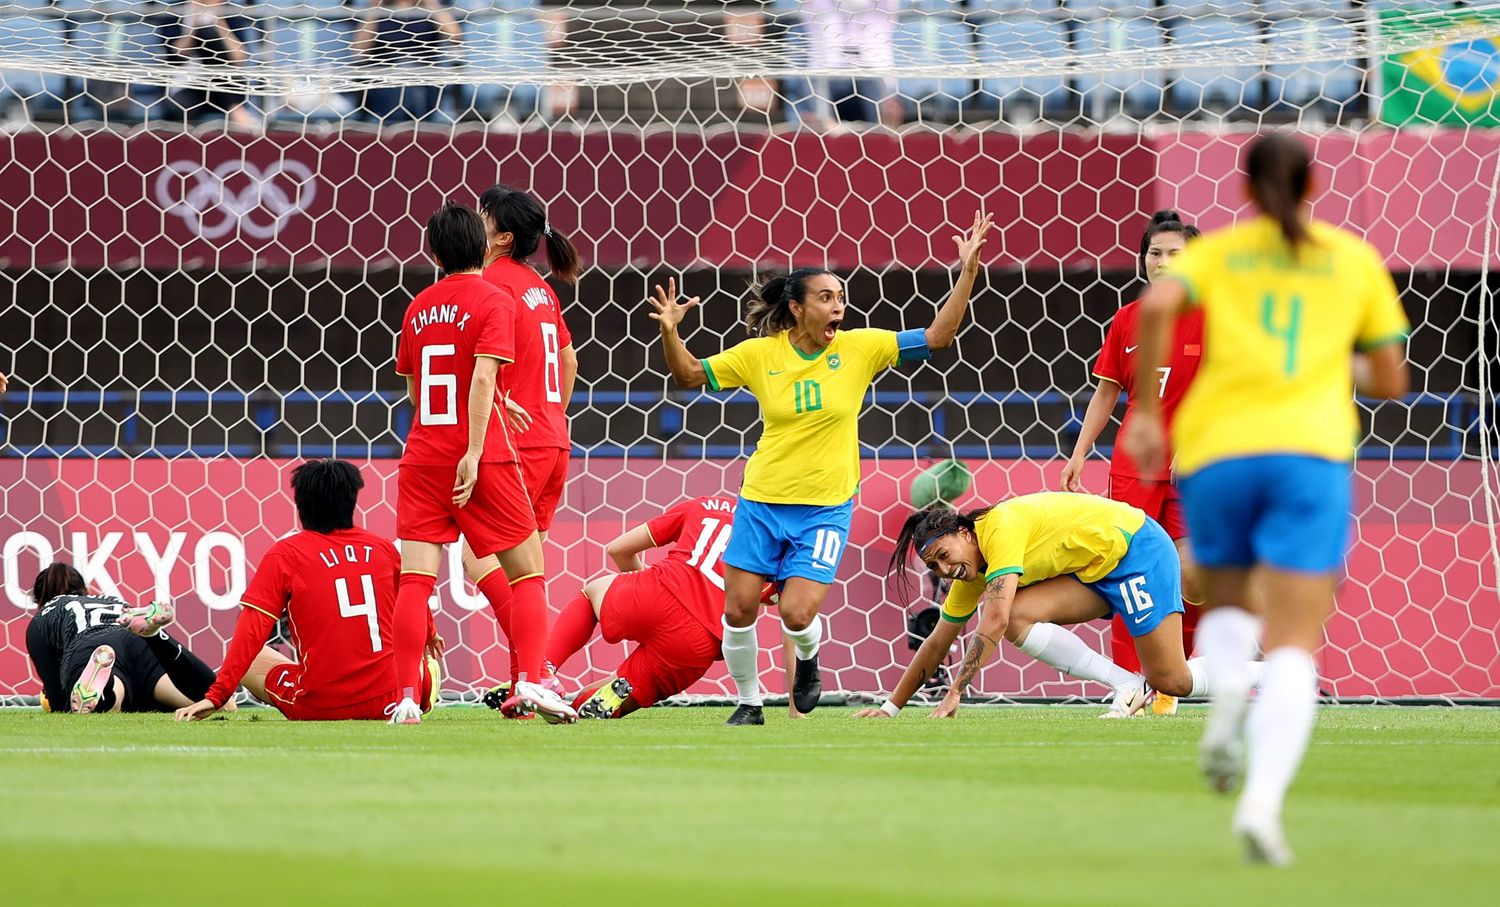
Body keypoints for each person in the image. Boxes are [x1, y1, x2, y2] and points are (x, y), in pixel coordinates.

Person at [1122, 133, 1410, 865]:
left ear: (1244, 191)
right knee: (1290, 641)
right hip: (1307, 455)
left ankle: (1218, 715)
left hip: (1216, 452)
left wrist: (1151, 416)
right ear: (1313, 184)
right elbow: (1390, 380)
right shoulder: (1350, 259)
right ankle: (1260, 803)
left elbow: (1155, 310)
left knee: (1222, 601)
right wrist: (1324, 357)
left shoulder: (1216, 255)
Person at [648, 210, 994, 726]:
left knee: (796, 612)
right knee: (738, 610)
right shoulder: (759, 354)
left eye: (841, 297)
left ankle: (807, 661)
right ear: (796, 308)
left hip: (825, 508)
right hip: (762, 501)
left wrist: (966, 270)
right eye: (826, 298)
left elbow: (938, 336)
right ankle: (748, 704)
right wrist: (672, 332)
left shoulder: (861, 347)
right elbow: (690, 374)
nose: (839, 307)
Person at [390, 202, 576, 725]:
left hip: (423, 452)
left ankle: (406, 698)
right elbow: (480, 377)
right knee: (529, 573)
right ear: (482, 244)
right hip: (487, 453)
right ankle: (534, 680)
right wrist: (473, 448)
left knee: (415, 582)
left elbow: (416, 390)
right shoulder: (496, 297)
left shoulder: (418, 305)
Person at [856, 494, 1260, 720]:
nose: (945, 569)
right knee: (1015, 614)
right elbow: (937, 642)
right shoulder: (969, 571)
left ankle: (1274, 670)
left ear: (965, 532)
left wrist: (955, 691)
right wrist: (891, 708)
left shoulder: (999, 527)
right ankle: (1126, 684)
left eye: (944, 554)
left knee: (1174, 681)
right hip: (1093, 571)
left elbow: (993, 619)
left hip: (1137, 550)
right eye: (933, 566)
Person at [1061, 210, 1203, 716]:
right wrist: (1079, 452)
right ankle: (1132, 688)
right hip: (1133, 467)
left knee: (1191, 579)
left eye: (1175, 254)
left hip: (1195, 471)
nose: (1163, 263)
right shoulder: (1127, 319)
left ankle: (1173, 683)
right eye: (1155, 253)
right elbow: (1106, 392)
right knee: (1131, 576)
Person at [176, 459, 436, 722]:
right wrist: (431, 632)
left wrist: (217, 695)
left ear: (300, 505)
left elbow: (251, 629)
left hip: (322, 708)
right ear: (352, 501)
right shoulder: (383, 549)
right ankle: (423, 685)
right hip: (391, 701)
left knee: (252, 661)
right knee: (412, 659)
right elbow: (414, 597)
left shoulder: (286, 554)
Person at [462, 183, 582, 701]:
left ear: (503, 236)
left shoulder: (490, 281)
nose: (474, 220)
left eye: (482, 216)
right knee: (523, 569)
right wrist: (551, 412)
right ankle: (526, 681)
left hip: (515, 442)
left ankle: (538, 672)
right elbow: (571, 361)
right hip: (552, 438)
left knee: (483, 562)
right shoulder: (540, 287)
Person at [539, 495, 787, 719]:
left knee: (591, 592)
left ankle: (544, 671)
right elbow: (780, 609)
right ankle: (605, 695)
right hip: (700, 642)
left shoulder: (705, 505)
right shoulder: (779, 540)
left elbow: (618, 549)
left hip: (659, 591)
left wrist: (644, 594)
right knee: (610, 692)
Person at [26, 563, 220, 715]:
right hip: (137, 640)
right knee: (213, 704)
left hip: (91, 646)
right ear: (85, 589)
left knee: (106, 706)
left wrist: (55, 700)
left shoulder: (44, 616)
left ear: (40, 600)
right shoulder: (111, 600)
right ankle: (155, 636)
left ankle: (107, 691)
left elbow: (56, 698)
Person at [353, 0, 463, 125]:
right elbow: (359, 49)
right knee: (403, 91)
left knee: (413, 88)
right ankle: (410, 130)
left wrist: (431, 4)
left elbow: (455, 36)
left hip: (425, 79)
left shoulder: (428, 11)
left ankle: (402, 131)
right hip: (386, 79)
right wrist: (375, 8)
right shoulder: (379, 11)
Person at [166, 0, 257, 129]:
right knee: (177, 108)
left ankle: (232, 106)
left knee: (209, 32)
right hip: (190, 83)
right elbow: (177, 54)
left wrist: (219, 22)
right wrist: (196, 24)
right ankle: (234, 107)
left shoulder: (231, 11)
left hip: (226, 83)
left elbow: (239, 57)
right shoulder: (173, 9)